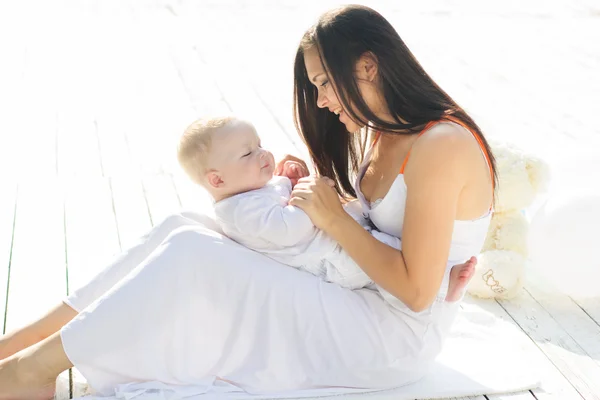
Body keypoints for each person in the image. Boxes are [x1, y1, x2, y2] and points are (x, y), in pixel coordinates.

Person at [0, 4, 493, 399]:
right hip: (357, 297)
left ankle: (30, 372)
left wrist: (333, 219)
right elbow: (370, 227)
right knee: (183, 224)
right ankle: (17, 347)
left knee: (195, 255)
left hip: (389, 336)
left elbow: (416, 292)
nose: (320, 100)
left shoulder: (440, 145)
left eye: (323, 83)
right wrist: (315, 197)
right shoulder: (384, 135)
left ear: (368, 65)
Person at [177, 115, 405, 289]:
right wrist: (311, 196)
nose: (263, 154)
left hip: (341, 243)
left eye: (260, 145)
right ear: (217, 179)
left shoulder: (252, 189)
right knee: (396, 259)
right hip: (336, 262)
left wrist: (292, 180)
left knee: (393, 245)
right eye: (248, 154)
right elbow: (288, 229)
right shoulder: (239, 212)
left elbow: (283, 198)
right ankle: (436, 287)